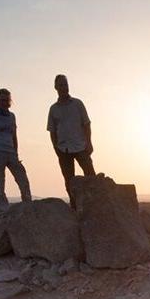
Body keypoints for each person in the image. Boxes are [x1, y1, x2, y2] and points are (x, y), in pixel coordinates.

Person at [47, 74, 95, 206]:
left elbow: (86, 124)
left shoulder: (78, 104)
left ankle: (95, 203)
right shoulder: (53, 109)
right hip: (63, 148)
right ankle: (74, 206)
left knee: (90, 175)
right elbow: (52, 131)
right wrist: (56, 148)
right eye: (61, 85)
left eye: (66, 84)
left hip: (81, 146)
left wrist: (89, 142)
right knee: (69, 180)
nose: (64, 87)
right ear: (56, 87)